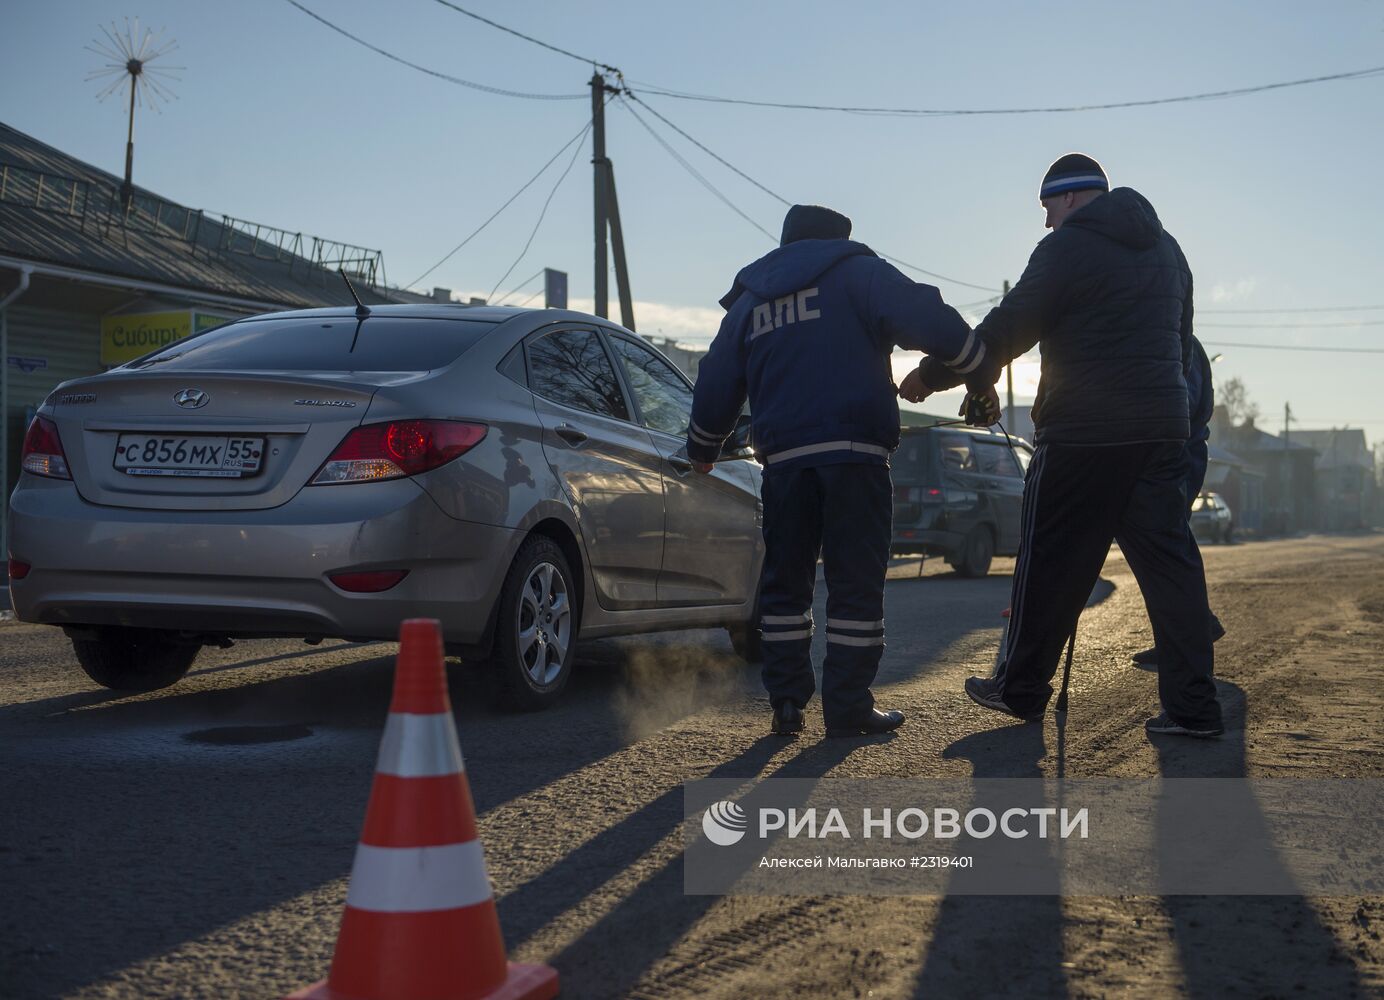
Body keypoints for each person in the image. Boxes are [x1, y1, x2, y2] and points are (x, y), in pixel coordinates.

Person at [899, 153, 1224, 738]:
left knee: (1049, 564)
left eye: (1047, 206)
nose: (1046, 221)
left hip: (1083, 432)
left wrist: (933, 374)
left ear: (1070, 196)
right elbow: (1182, 343)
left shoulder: (1067, 248)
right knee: (1172, 569)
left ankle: (1019, 689)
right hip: (1160, 430)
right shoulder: (1168, 250)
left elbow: (1007, 329)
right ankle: (1195, 710)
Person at [687, 203, 977, 738]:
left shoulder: (752, 300)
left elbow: (717, 376)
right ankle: (847, 707)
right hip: (854, 455)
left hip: (784, 463)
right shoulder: (860, 274)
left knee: (785, 585)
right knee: (854, 585)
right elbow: (930, 317)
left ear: (786, 242)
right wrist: (974, 362)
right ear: (839, 239)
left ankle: (788, 704)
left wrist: (704, 443)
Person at [1128, 333, 1226, 667]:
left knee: (1165, 551)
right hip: (1172, 458)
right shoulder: (1172, 340)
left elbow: (1180, 409)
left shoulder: (1180, 345)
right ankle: (1185, 633)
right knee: (1162, 552)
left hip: (1177, 458)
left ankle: (1191, 636)